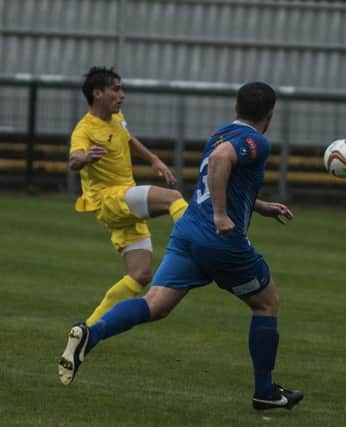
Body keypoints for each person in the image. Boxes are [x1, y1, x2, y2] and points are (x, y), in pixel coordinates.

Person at [58, 81, 304, 411]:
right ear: (270, 114)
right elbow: (220, 163)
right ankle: (265, 392)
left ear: (236, 108)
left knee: (155, 304)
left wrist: (258, 205)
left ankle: (92, 333)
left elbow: (220, 176)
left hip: (187, 234)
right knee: (267, 304)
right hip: (221, 241)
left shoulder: (221, 132)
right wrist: (220, 215)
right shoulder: (255, 141)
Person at [68, 66, 188, 327]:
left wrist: (154, 159)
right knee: (173, 198)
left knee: (141, 275)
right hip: (109, 200)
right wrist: (85, 157)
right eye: (116, 89)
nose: (121, 94)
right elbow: (74, 159)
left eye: (121, 89)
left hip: (124, 200)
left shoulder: (116, 118)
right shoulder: (84, 129)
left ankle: (88, 328)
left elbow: (128, 138)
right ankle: (198, 239)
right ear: (97, 93)